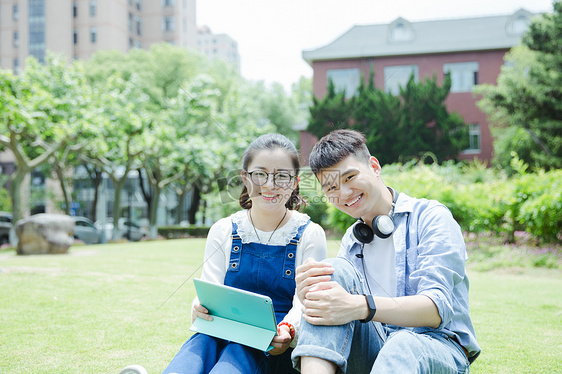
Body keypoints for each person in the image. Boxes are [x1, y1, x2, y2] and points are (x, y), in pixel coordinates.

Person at [120, 133, 327, 374]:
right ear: (245, 178)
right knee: (203, 340)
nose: (270, 185)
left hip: (273, 342)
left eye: (281, 176)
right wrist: (199, 305)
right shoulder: (223, 230)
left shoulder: (309, 234)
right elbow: (210, 291)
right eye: (260, 174)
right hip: (221, 328)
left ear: (294, 182)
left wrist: (289, 330)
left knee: (239, 349)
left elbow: (305, 303)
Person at [291, 129, 480, 373]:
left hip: (437, 349)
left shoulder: (431, 217)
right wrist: (311, 293)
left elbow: (437, 308)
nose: (344, 194)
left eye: (349, 178)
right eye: (331, 188)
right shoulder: (351, 240)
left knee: (402, 343)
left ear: (374, 166)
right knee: (330, 273)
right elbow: (337, 315)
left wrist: (360, 305)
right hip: (377, 347)